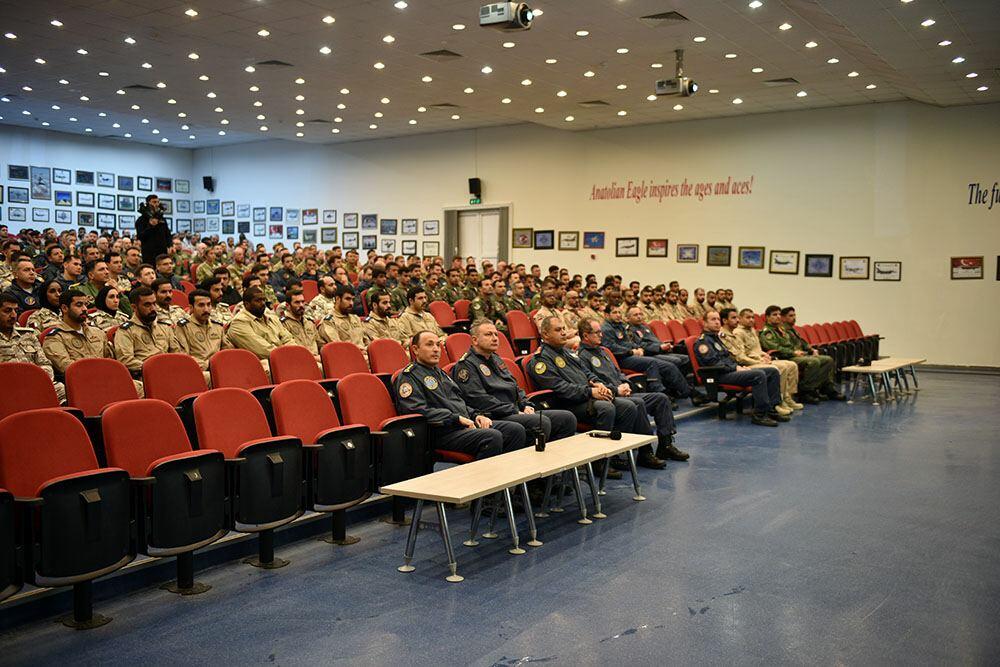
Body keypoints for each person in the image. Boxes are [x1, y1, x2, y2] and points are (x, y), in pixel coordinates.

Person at [529, 315, 653, 469]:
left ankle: (614, 455)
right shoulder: (541, 360)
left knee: (628, 406)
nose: (563, 333)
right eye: (558, 330)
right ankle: (598, 462)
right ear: (545, 334)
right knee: (606, 408)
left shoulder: (567, 353)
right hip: (567, 403)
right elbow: (560, 388)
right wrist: (590, 392)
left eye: (564, 329)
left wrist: (599, 384)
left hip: (585, 398)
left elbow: (587, 373)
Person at [394, 330, 525, 460]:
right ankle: (484, 474)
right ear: (415, 349)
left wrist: (476, 415)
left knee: (515, 430)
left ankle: (507, 471)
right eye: (429, 345)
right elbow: (416, 410)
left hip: (462, 425)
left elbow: (459, 402)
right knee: (491, 437)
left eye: (438, 345)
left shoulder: (441, 373)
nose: (436, 349)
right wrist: (455, 418)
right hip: (442, 432)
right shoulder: (409, 376)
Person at [578, 317, 687, 463]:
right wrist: (616, 389)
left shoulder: (603, 351)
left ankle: (666, 445)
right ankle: (645, 451)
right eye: (597, 332)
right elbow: (592, 383)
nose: (601, 335)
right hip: (610, 398)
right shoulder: (581, 357)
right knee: (638, 403)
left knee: (661, 399)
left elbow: (619, 373)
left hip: (623, 393)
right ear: (586, 335)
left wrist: (626, 383)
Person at [451, 319, 577, 444]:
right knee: (540, 422)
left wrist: (526, 404)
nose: (495, 338)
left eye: (496, 334)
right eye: (488, 334)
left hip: (514, 410)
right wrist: (514, 410)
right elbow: (480, 400)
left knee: (566, 418)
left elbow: (515, 386)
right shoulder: (466, 366)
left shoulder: (496, 359)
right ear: (475, 340)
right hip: (495, 415)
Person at [694, 311, 786, 427]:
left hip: (729, 371)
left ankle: (772, 409)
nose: (717, 322)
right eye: (713, 319)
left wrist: (740, 366)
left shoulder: (716, 339)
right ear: (704, 323)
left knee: (772, 371)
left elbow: (728, 358)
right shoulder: (703, 342)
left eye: (718, 319)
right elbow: (714, 363)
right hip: (718, 375)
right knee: (758, 375)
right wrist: (736, 367)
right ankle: (760, 414)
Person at [602, 305, 693, 404]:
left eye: (619, 312)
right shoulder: (606, 329)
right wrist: (631, 351)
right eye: (614, 313)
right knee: (652, 362)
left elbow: (628, 343)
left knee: (669, 364)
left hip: (631, 355)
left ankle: (678, 392)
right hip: (621, 359)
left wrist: (637, 348)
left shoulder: (620, 326)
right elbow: (611, 348)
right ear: (606, 315)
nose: (618, 315)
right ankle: (662, 393)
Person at [720, 308, 803, 413]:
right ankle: (778, 401)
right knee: (778, 368)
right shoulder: (736, 333)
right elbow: (740, 357)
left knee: (791, 365)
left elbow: (757, 349)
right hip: (745, 364)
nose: (751, 320)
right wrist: (759, 361)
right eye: (747, 317)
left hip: (754, 360)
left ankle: (787, 397)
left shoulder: (750, 330)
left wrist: (765, 355)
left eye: (752, 317)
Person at [759, 305, 845, 403]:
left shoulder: (781, 330)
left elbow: (798, 342)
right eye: (775, 315)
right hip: (784, 357)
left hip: (793, 355)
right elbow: (775, 348)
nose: (778, 316)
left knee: (828, 360)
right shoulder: (767, 332)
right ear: (767, 317)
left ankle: (824, 388)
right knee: (813, 362)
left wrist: (810, 350)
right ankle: (805, 392)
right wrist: (793, 352)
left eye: (779, 314)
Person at [0, 293, 65, 402]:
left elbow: (45, 363)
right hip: (5, 388)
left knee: (60, 388)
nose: (13, 315)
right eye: (7, 311)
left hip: (33, 384)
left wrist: (35, 381)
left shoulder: (28, 335)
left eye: (16, 311)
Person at [114, 286, 182, 378]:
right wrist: (154, 367)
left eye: (154, 304)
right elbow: (126, 360)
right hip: (146, 376)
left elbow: (177, 352)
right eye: (147, 305)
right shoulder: (126, 331)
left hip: (170, 372)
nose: (153, 308)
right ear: (134, 307)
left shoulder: (164, 327)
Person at [225, 286, 295, 370]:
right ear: (247, 304)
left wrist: (294, 353)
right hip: (258, 366)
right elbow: (263, 350)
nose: (263, 303)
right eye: (258, 300)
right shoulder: (238, 323)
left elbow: (288, 339)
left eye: (264, 300)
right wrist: (288, 357)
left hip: (282, 359)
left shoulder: (271, 318)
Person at [174, 289, 225, 381]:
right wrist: (210, 365)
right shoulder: (183, 327)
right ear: (191, 308)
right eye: (201, 305)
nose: (206, 309)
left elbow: (226, 351)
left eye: (208, 305)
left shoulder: (218, 326)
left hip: (218, 368)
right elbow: (184, 357)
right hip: (196, 370)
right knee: (215, 377)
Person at [317, 284, 367, 357]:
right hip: (345, 357)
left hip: (364, 355)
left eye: (352, 300)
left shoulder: (356, 318)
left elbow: (367, 341)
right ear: (338, 299)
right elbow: (338, 346)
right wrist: (358, 351)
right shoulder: (329, 321)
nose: (351, 303)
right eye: (347, 299)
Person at [279, 287, 320, 357]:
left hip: (317, 358)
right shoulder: (283, 323)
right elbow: (289, 349)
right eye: (297, 302)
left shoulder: (309, 322)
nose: (301, 305)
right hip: (299, 358)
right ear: (288, 306)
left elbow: (320, 343)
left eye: (303, 302)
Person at [135, 195, 170, 264]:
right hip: (149, 254)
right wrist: (150, 226)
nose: (156, 204)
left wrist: (170, 245)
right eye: (154, 202)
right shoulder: (141, 220)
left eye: (158, 202)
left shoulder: (162, 219)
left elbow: (167, 234)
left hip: (162, 253)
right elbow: (140, 236)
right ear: (148, 203)